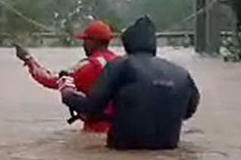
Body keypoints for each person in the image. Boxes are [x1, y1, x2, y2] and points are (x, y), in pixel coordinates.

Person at [61, 16, 200, 150]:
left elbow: (92, 107)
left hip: (123, 153)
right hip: (168, 151)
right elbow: (188, 111)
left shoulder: (120, 66)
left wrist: (68, 94)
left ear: (127, 43)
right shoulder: (182, 74)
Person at [15, 20, 119, 133]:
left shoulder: (89, 65)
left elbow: (52, 80)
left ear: (93, 42)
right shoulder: (120, 62)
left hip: (97, 128)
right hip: (119, 126)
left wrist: (29, 60)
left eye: (85, 40)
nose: (83, 44)